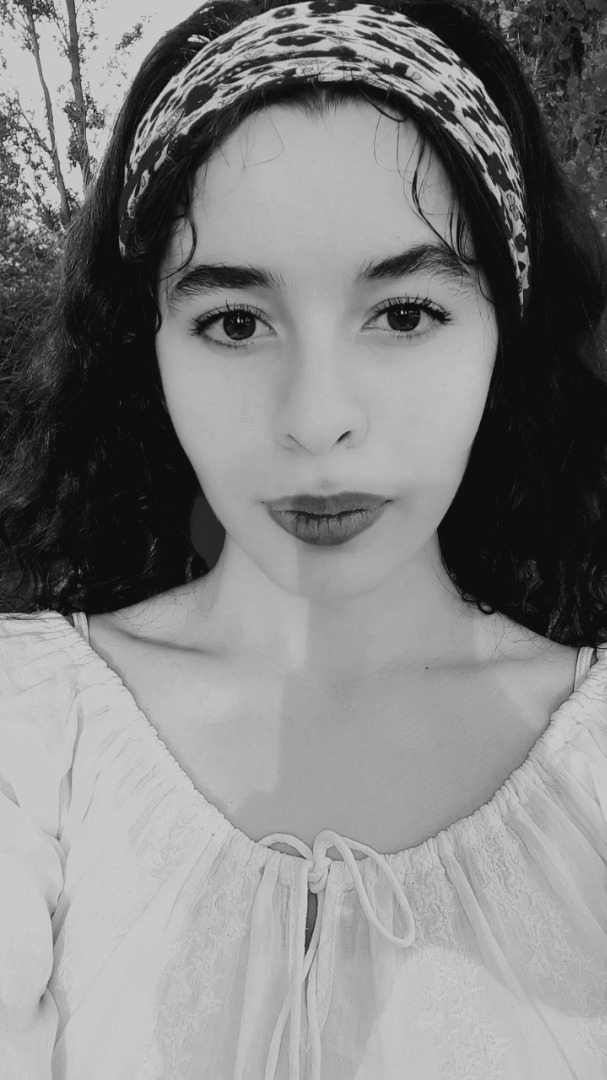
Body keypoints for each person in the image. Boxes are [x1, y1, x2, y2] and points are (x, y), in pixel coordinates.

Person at [1, 0, 606, 1075]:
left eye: (404, 313)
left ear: (501, 335)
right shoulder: (32, 734)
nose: (317, 419)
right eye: (235, 322)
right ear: (150, 349)